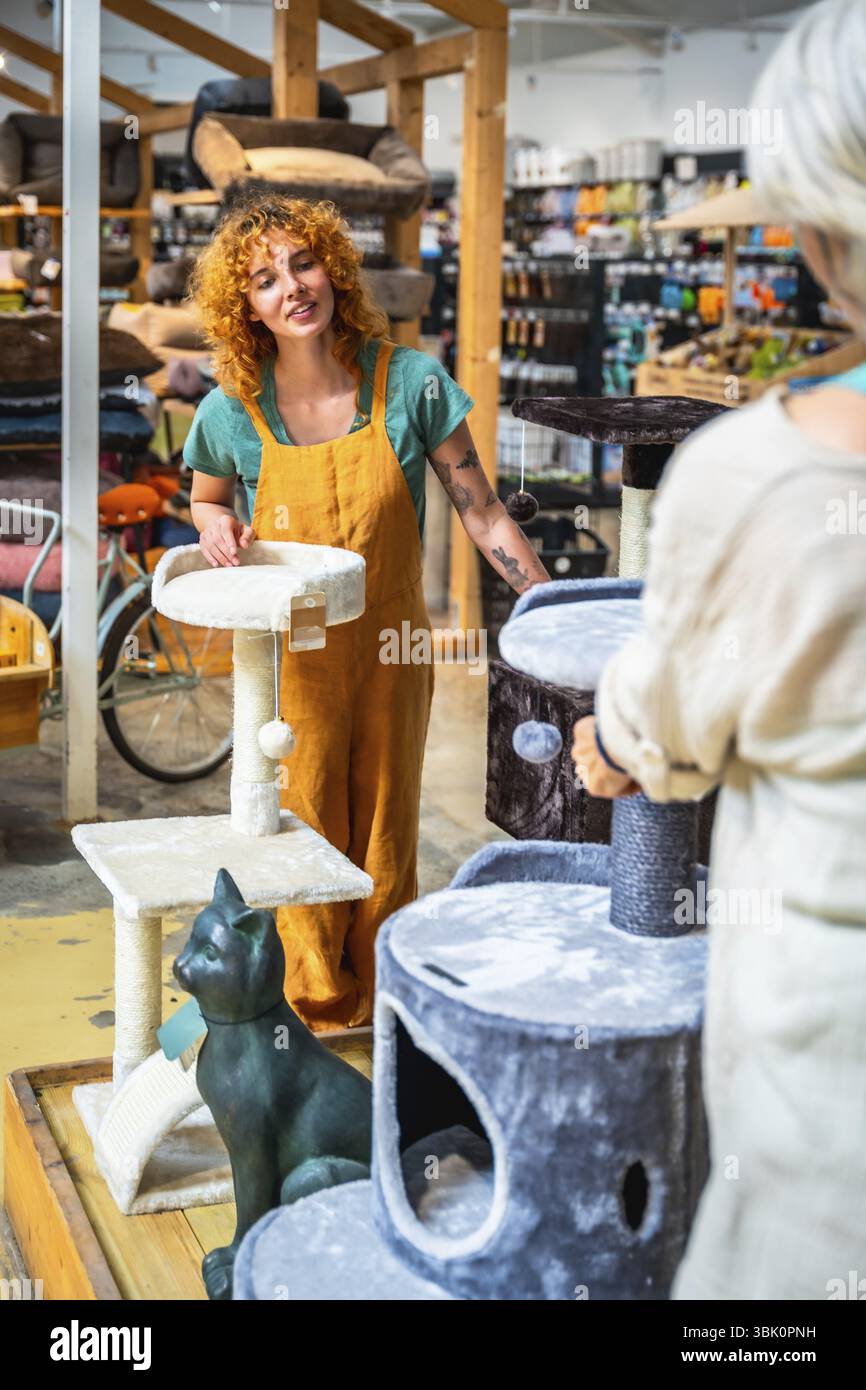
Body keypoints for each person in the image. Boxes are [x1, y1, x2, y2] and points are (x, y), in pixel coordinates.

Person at [573, 0, 866, 1299]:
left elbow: (657, 745)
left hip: (828, 1085)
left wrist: (605, 740)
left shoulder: (757, 476)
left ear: (812, 231)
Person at [184, 193, 550, 1031]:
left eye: (303, 263)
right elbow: (204, 500)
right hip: (293, 660)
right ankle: (308, 1014)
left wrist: (552, 605)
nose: (292, 288)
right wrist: (217, 526)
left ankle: (385, 1011)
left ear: (334, 268)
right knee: (303, 825)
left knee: (387, 831)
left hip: (393, 649)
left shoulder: (411, 384)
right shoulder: (230, 411)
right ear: (246, 307)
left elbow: (484, 513)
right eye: (265, 279)